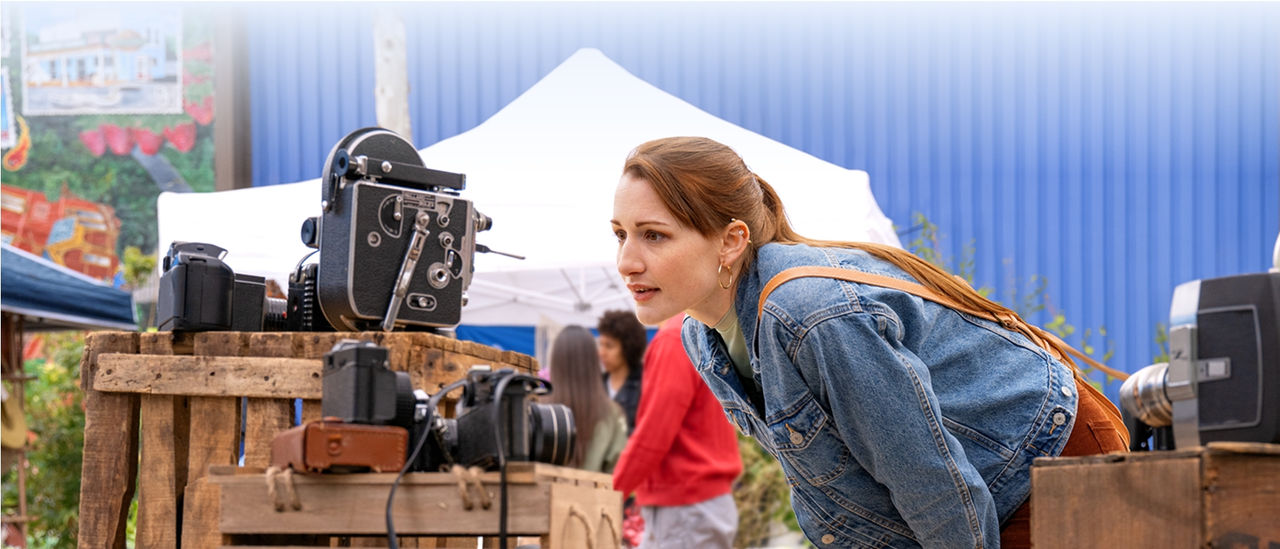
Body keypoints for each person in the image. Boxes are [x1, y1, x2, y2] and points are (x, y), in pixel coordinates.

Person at [610, 136, 1129, 548]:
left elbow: (928, 479)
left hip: (1040, 454)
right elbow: (835, 484)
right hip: (972, 486)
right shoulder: (702, 338)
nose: (627, 261)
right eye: (620, 234)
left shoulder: (808, 314)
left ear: (731, 240)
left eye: (654, 235)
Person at [611, 314, 743, 549]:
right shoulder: (698, 327)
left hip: (685, 504)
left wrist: (611, 492)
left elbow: (655, 431)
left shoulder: (674, 338)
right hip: (698, 502)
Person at [547, 325, 629, 473]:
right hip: (596, 495)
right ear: (593, 362)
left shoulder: (538, 408)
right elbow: (618, 473)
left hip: (542, 495)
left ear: (555, 361)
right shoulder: (612, 414)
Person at [596, 309, 647, 432]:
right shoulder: (596, 384)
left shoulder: (645, 384)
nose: (601, 352)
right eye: (600, 344)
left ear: (628, 348)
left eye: (609, 346)